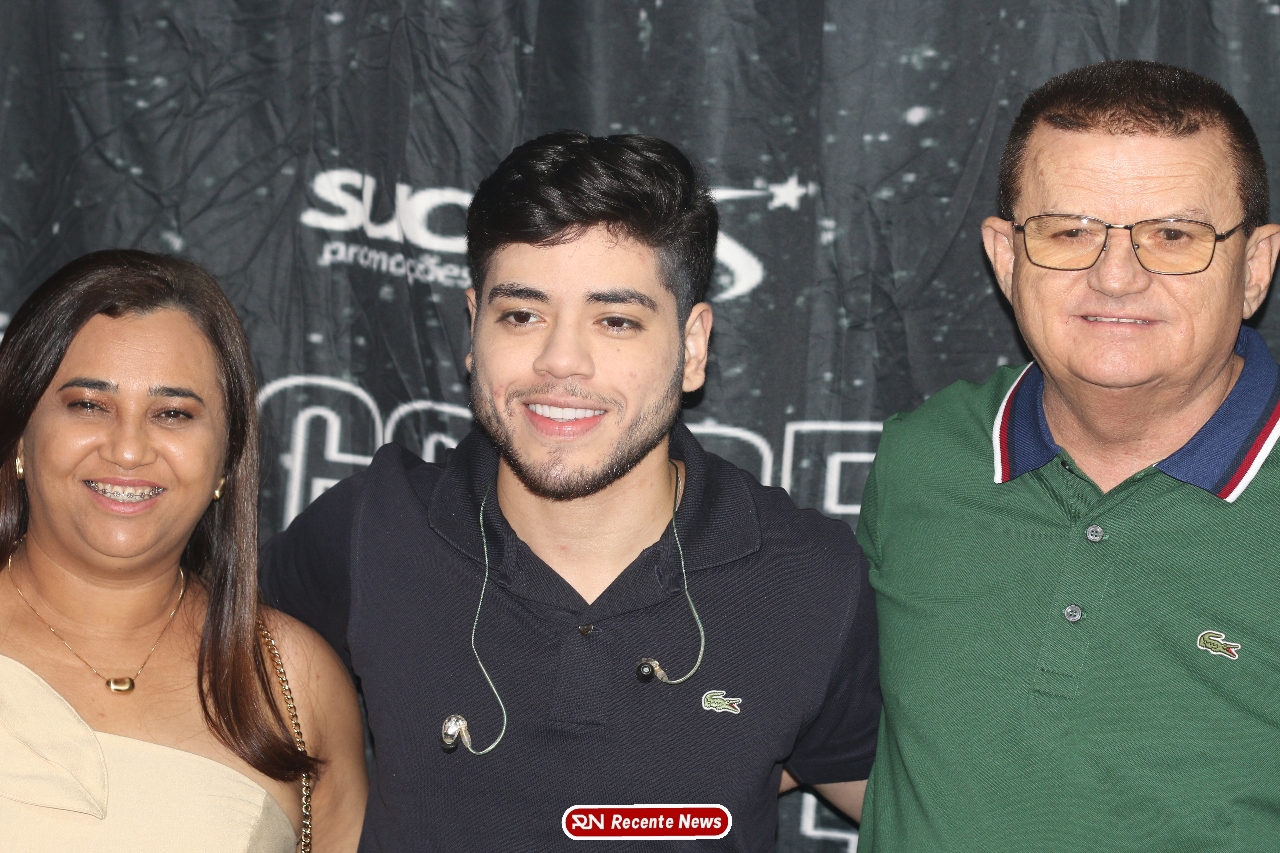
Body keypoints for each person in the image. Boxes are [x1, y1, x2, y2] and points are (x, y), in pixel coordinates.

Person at [261, 130, 880, 850]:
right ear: (473, 330)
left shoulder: (807, 579)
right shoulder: (373, 529)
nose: (560, 360)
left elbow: (915, 803)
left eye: (615, 321)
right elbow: (192, 672)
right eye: (522, 315)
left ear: (693, 347)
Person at [857, 60, 1280, 851]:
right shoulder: (924, 459)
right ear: (1006, 255)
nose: (1115, 277)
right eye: (1069, 231)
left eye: (1173, 235)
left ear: (1253, 267)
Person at [0, 250, 368, 852]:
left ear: (226, 458)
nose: (127, 450)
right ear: (20, 433)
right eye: (89, 405)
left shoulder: (294, 682)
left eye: (172, 414)